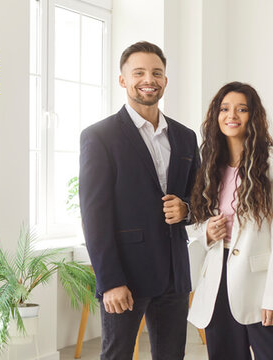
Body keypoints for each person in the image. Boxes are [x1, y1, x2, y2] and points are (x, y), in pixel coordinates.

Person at [79, 41, 199, 360]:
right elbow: (94, 217)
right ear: (123, 80)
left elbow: (201, 198)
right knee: (117, 354)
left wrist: (186, 208)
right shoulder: (99, 137)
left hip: (175, 275)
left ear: (165, 80)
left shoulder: (186, 137)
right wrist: (110, 281)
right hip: (126, 277)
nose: (149, 79)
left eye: (157, 73)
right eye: (139, 72)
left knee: (172, 355)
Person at [186, 82, 273, 359]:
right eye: (225, 109)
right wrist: (206, 233)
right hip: (217, 283)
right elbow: (196, 220)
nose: (232, 115)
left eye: (242, 109)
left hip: (262, 285)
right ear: (216, 115)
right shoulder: (210, 164)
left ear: (254, 116)